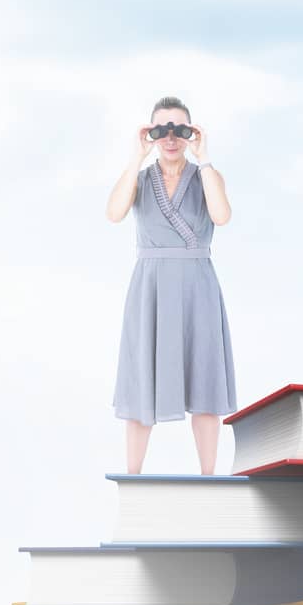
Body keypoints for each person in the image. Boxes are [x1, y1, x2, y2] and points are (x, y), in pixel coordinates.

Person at [105, 97, 237, 475]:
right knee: (140, 378)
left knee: (205, 380)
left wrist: (205, 157)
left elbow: (222, 215)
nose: (171, 137)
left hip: (198, 284)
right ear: (151, 133)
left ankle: (209, 476)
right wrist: (136, 157)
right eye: (161, 129)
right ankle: (132, 477)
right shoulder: (141, 180)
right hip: (151, 287)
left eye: (179, 129)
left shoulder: (206, 176)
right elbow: (114, 213)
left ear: (191, 132)